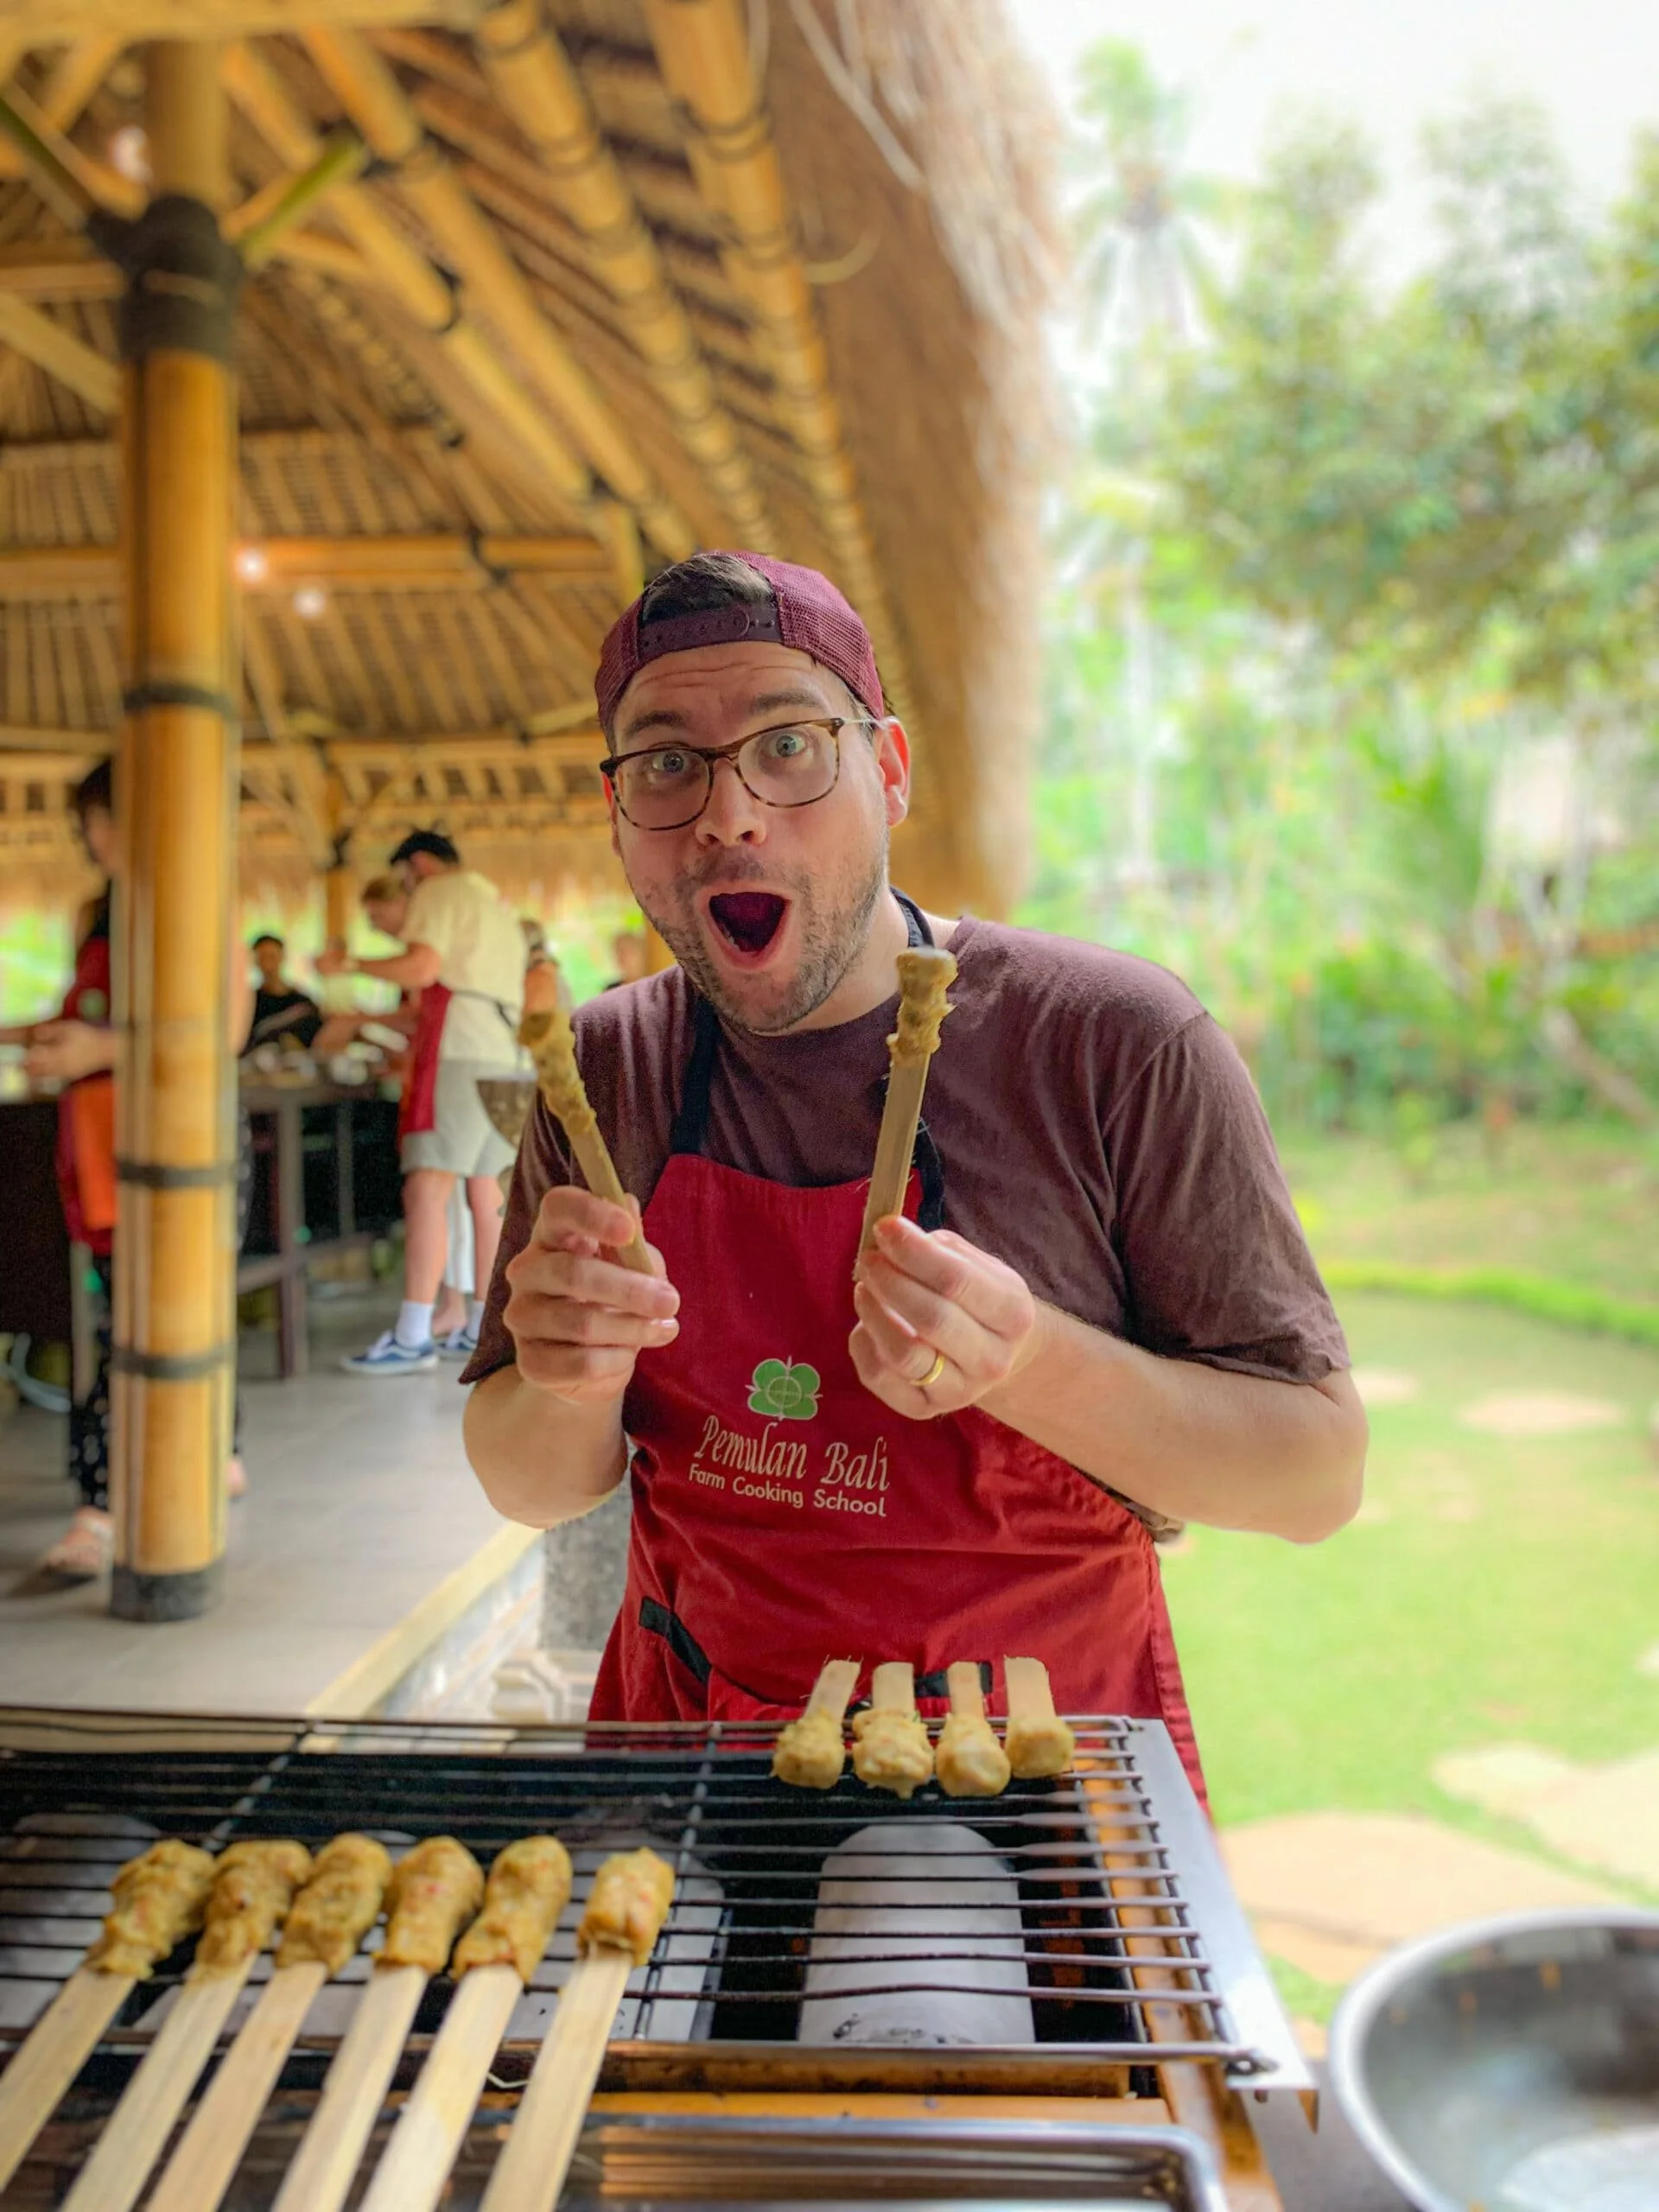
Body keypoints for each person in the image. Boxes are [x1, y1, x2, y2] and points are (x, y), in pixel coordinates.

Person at [461, 551, 1369, 1799]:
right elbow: (531, 1483)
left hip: (1049, 1765)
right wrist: (570, 1379)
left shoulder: (1112, 1044)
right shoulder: (607, 1065)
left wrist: (1029, 1361)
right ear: (621, 815)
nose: (729, 814)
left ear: (889, 770)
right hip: (695, 1752)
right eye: (667, 762)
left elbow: (1315, 1476)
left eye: (789, 743)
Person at [3, 762, 251, 1575]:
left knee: (153, 1317)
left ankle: (102, 1504)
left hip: (182, 1143)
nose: (93, 838)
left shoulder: (204, 899)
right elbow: (92, 1016)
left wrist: (98, 1049)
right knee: (131, 1313)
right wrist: (42, 1040)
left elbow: (221, 1035)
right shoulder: (94, 913)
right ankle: (201, 1454)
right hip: (105, 1138)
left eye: (102, 819)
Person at [321, 831, 524, 1373]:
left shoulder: (441, 890)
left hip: (459, 1052)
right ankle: (484, 1324)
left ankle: (413, 1333)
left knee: (426, 1187)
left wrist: (351, 966)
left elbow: (421, 969)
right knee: (485, 1196)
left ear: (419, 865)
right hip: (505, 1053)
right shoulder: (493, 904)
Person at [241, 933, 322, 1056]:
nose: (267, 963)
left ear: (282, 957)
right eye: (262, 957)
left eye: (272, 956)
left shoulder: (303, 1005)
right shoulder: (248, 1004)